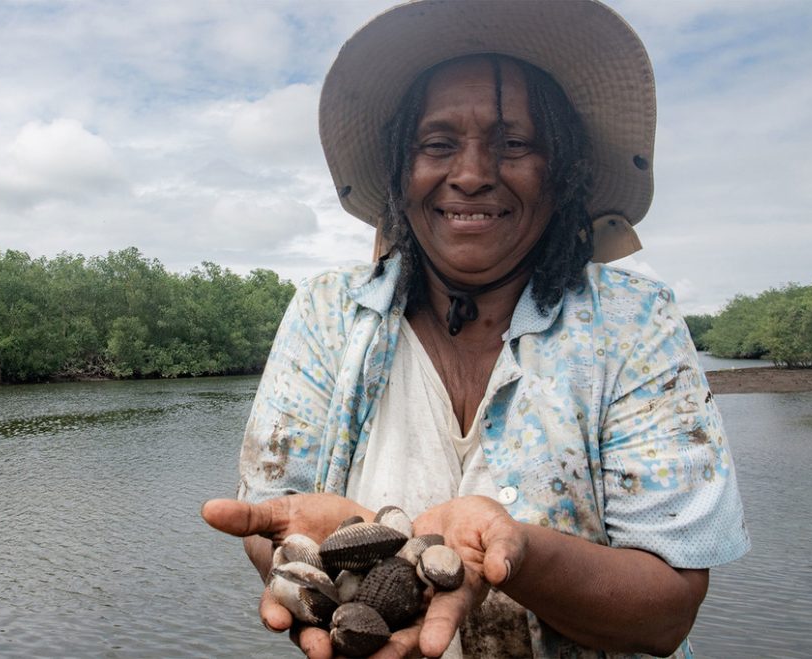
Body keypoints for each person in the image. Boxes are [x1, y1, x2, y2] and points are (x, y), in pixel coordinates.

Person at [202, 1, 750, 657]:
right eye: (437, 144)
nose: (470, 174)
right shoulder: (325, 313)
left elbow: (665, 617)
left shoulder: (634, 323)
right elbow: (274, 522)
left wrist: (516, 553)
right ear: (402, 173)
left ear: (563, 169)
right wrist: (317, 562)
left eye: (514, 143)